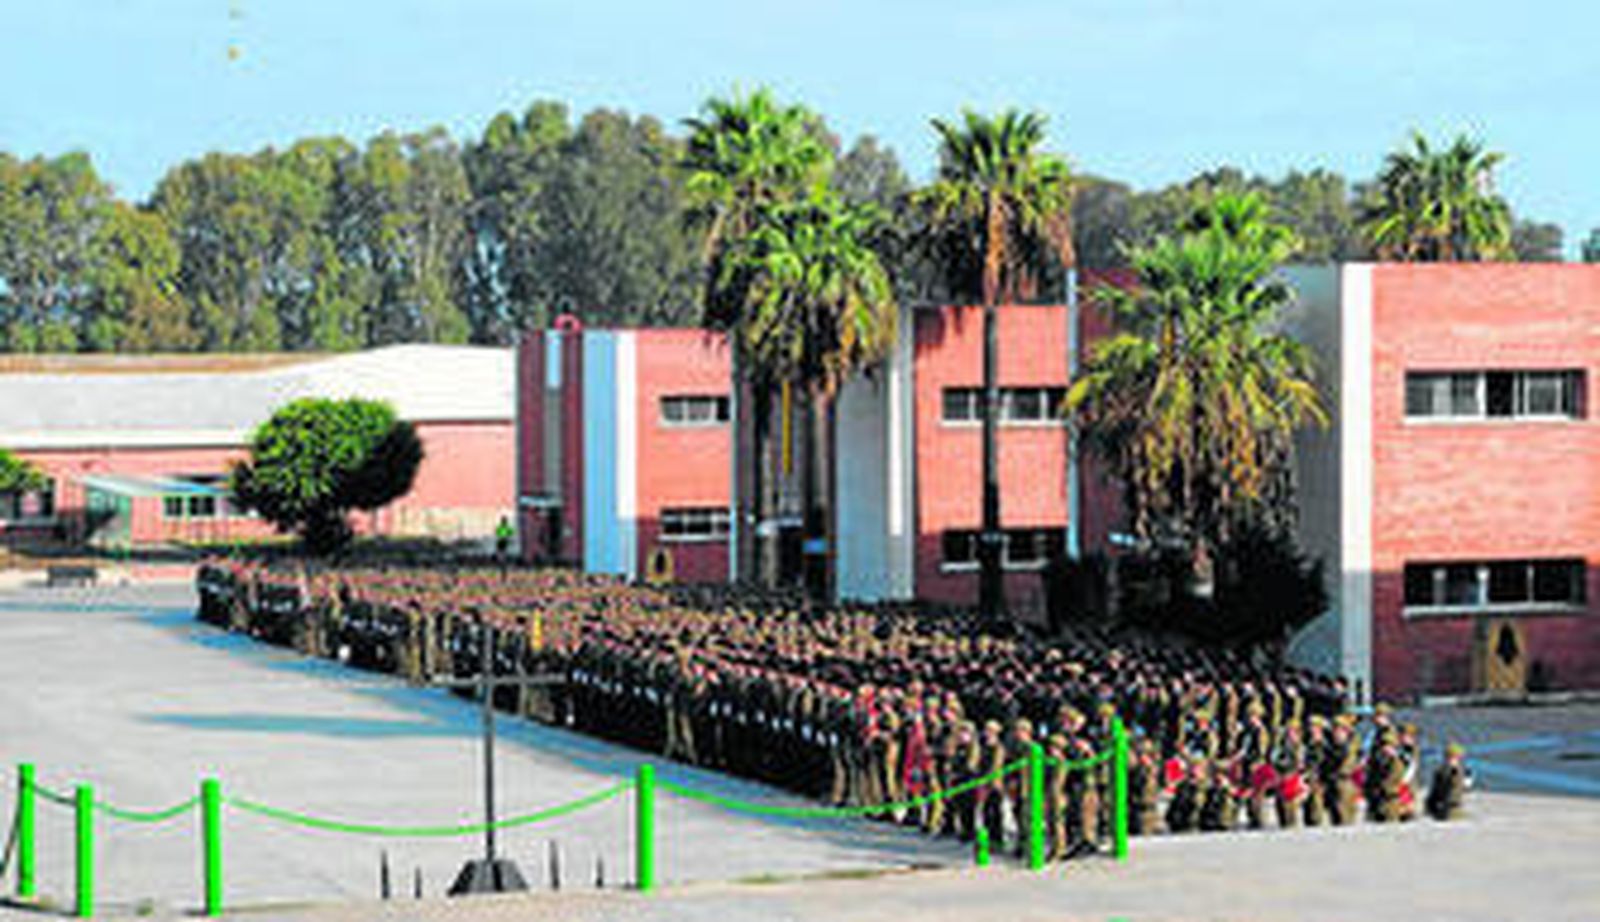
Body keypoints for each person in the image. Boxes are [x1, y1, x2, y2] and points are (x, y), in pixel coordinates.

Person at [1425, 743, 1470, 821]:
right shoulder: (1442, 770)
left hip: (1455, 805)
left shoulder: (1461, 770)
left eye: (1457, 757)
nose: (1455, 760)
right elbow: (1437, 789)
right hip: (1443, 806)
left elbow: (1464, 787)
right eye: (1453, 757)